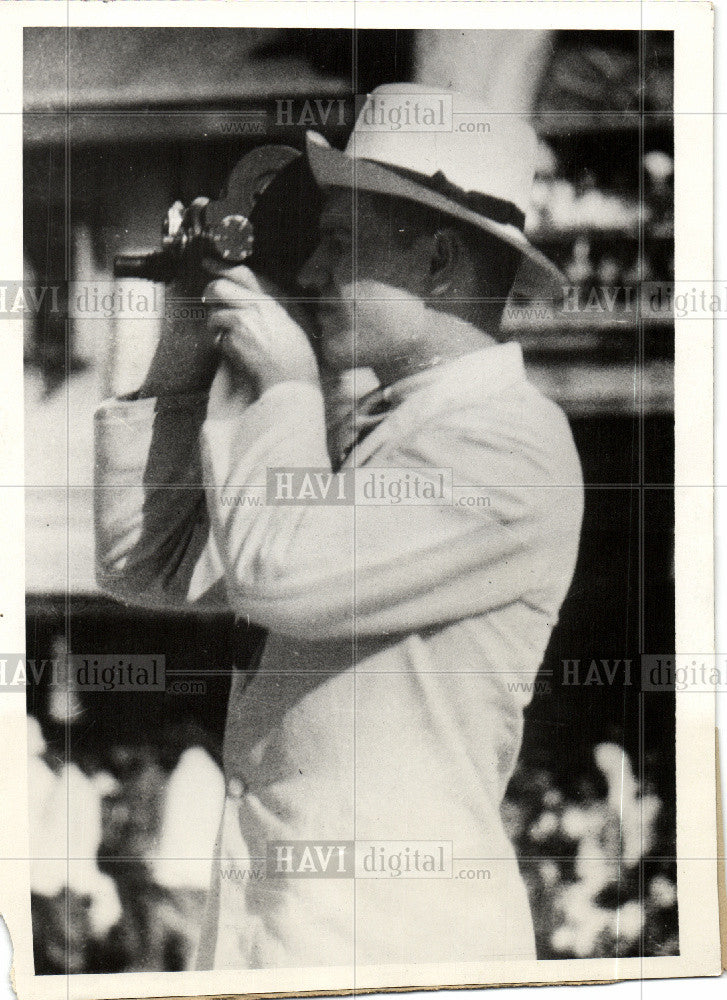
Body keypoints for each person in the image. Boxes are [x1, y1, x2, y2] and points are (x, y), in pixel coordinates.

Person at [94, 84, 584, 970]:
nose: (311, 275)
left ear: (439, 261)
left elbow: (280, 575)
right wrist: (186, 337)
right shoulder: (375, 429)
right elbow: (144, 563)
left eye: (337, 243)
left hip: (400, 946)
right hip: (277, 942)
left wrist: (280, 383)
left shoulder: (510, 446)